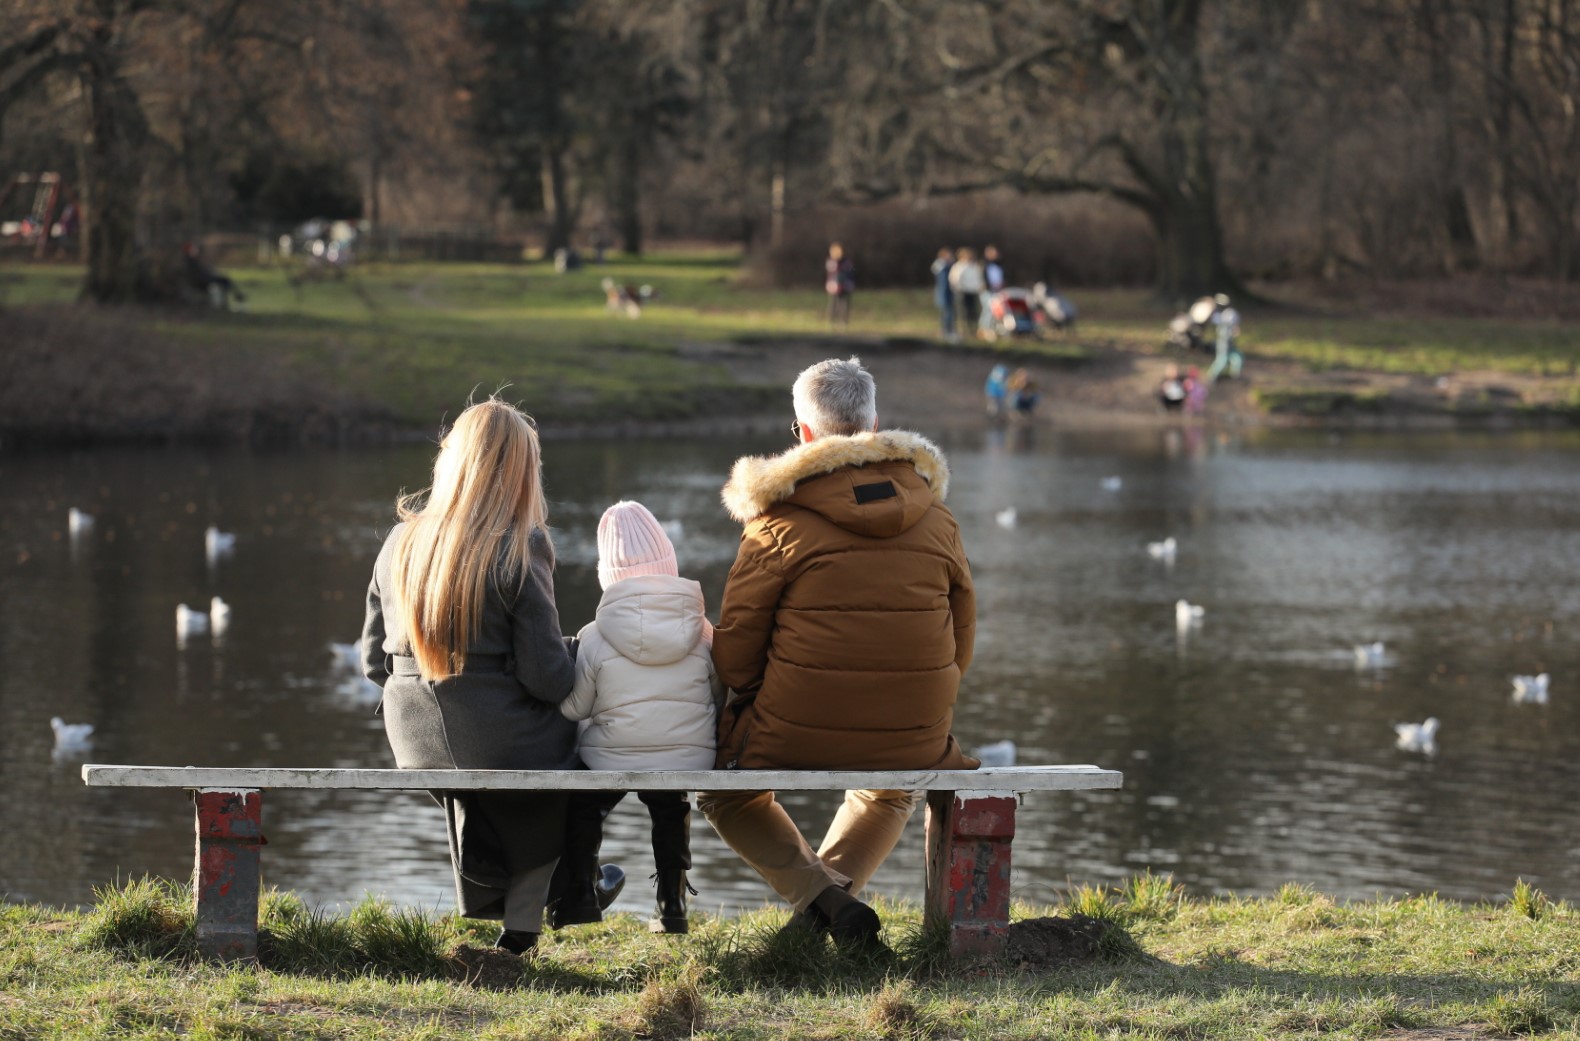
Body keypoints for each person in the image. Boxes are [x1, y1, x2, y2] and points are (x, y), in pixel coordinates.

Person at [701, 357, 978, 953]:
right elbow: (962, 642)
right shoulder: (938, 518)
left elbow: (736, 659)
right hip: (914, 729)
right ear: (875, 423)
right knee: (892, 787)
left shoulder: (775, 524)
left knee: (725, 794)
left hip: (791, 729)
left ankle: (824, 906)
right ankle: (827, 909)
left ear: (801, 432)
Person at [361, 398, 621, 956]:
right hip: (498, 737)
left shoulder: (396, 544)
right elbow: (549, 680)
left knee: (524, 780)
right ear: (521, 472)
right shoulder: (521, 545)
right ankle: (575, 885)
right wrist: (582, 648)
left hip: (412, 740)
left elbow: (369, 662)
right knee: (598, 755)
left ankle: (531, 919)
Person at [556, 501, 724, 935]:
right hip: (687, 758)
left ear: (607, 577)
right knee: (670, 804)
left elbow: (576, 708)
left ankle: (579, 895)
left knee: (584, 803)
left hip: (609, 757)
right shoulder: (703, 631)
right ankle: (672, 905)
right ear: (669, 564)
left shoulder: (593, 636)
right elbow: (718, 695)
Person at [182, 242, 246, 309]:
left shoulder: (192, 261)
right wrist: (209, 277)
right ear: (190, 251)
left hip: (206, 279)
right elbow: (198, 275)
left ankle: (235, 297)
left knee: (225, 280)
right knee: (225, 281)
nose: (196, 250)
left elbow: (202, 273)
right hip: (204, 281)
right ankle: (236, 298)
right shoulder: (191, 262)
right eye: (194, 249)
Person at [949, 248, 985, 336]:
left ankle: (973, 329)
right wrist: (958, 288)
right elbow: (954, 279)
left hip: (973, 292)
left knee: (973, 311)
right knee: (963, 312)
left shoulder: (975, 266)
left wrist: (980, 287)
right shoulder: (958, 266)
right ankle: (963, 330)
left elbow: (979, 278)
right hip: (963, 292)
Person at [1207, 293, 1243, 382]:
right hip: (1223, 342)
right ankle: (1212, 376)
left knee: (1238, 358)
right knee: (1222, 360)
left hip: (1229, 342)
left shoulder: (1230, 313)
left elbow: (1235, 326)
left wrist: (1234, 330)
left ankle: (1234, 376)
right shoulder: (1217, 315)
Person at [824, 243, 855, 327]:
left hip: (844, 286)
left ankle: (843, 320)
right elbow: (831, 273)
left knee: (843, 303)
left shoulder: (846, 262)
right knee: (834, 303)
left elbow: (849, 273)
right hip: (834, 286)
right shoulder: (831, 262)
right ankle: (832, 319)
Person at [930, 248, 957, 341]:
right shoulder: (940, 265)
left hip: (950, 292)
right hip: (942, 293)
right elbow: (936, 269)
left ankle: (950, 330)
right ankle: (945, 331)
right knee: (945, 313)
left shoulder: (950, 266)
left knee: (951, 312)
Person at [980, 245, 1005, 336]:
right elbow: (983, 279)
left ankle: (993, 328)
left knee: (996, 311)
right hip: (988, 291)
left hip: (997, 291)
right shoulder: (984, 265)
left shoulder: (999, 265)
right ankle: (985, 330)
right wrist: (989, 286)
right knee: (988, 310)